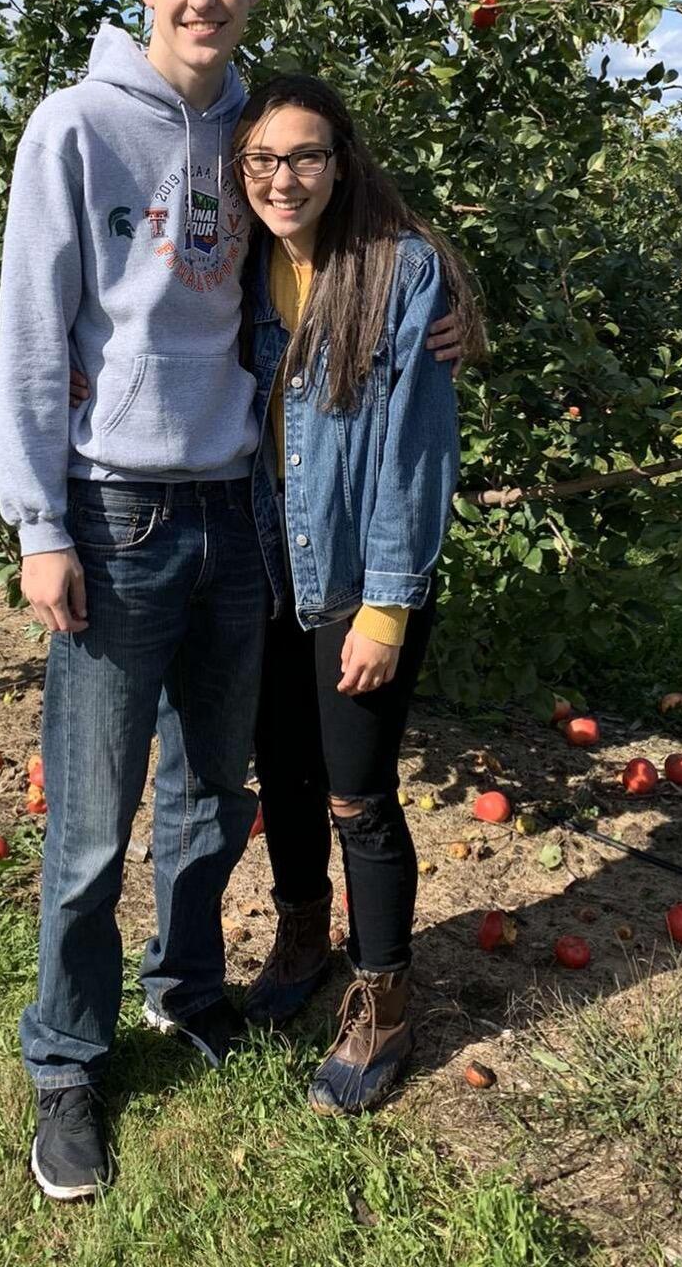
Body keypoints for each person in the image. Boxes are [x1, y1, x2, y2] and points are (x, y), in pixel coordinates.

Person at [0, 0, 465, 1200]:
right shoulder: (75, 130)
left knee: (214, 794)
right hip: (117, 510)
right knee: (93, 823)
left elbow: (349, 213)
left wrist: (441, 286)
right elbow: (33, 342)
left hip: (245, 519)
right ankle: (67, 1061)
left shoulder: (255, 129)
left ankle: (185, 993)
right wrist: (40, 523)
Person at [233, 73, 483, 1116]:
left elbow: (412, 456)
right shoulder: (236, 267)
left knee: (358, 792)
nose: (281, 179)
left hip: (355, 574)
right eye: (261, 160)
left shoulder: (400, 273)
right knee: (282, 770)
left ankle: (384, 1002)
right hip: (261, 564)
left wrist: (387, 606)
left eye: (303, 157)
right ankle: (302, 939)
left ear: (342, 163)